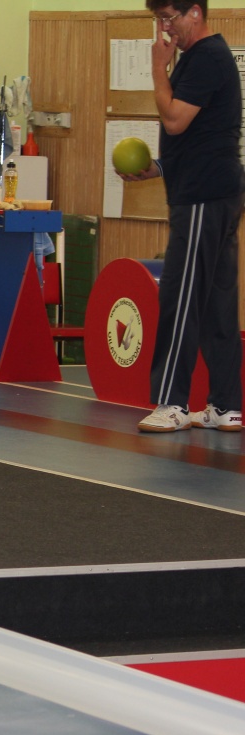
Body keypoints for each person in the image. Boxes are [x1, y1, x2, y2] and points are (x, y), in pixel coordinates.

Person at [123, 2, 243, 433]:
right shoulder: (201, 58)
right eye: (159, 18)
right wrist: (158, 168)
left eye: (170, 16)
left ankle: (172, 403)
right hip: (215, 192)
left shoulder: (207, 56)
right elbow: (200, 137)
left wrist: (158, 67)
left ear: (196, 12)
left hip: (203, 200)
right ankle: (226, 407)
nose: (165, 26)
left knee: (180, 298)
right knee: (216, 304)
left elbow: (174, 120)